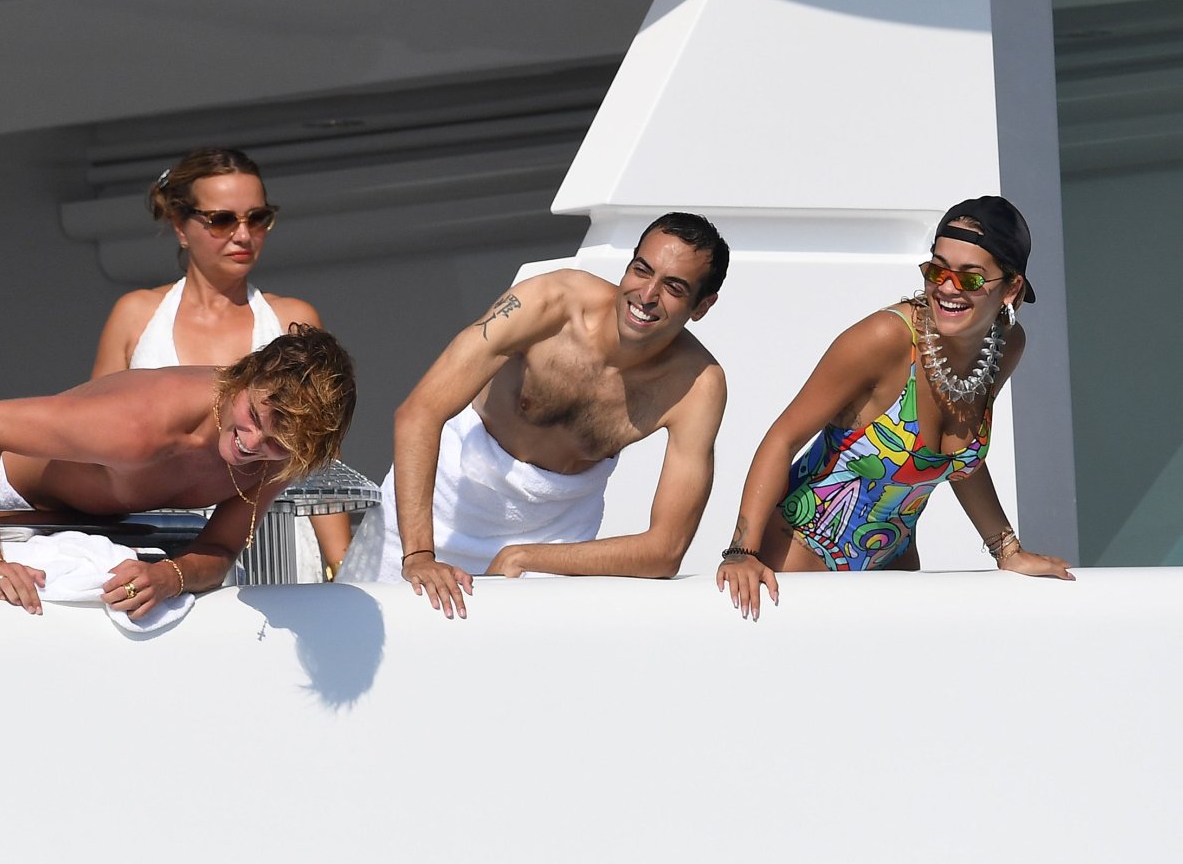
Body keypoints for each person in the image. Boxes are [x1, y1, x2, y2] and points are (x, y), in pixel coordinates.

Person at [341, 213, 730, 617]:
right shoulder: (552, 301)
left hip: (556, 537)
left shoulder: (697, 385)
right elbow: (419, 412)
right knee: (362, 636)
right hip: (443, 507)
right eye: (641, 270)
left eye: (673, 287)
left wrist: (525, 555)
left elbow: (666, 549)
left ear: (702, 306)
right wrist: (420, 554)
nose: (647, 294)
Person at [716, 196, 1072, 619]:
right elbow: (782, 438)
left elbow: (962, 460)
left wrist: (1007, 550)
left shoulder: (1005, 346)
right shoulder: (885, 340)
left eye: (970, 278)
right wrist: (741, 552)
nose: (948, 288)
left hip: (894, 565)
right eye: (937, 270)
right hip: (798, 559)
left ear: (1011, 288)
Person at [0, 327, 356, 619]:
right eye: (254, 417)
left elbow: (221, 547)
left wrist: (170, 576)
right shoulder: (143, 423)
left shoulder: (280, 455)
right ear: (247, 377)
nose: (253, 445)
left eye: (277, 442)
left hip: (62, 520)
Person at [91, 148, 351, 577]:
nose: (243, 235)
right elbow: (95, 448)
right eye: (222, 220)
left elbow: (316, 455)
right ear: (180, 226)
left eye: (258, 218)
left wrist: (340, 564)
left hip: (274, 545)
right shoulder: (136, 314)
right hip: (156, 547)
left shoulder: (292, 319)